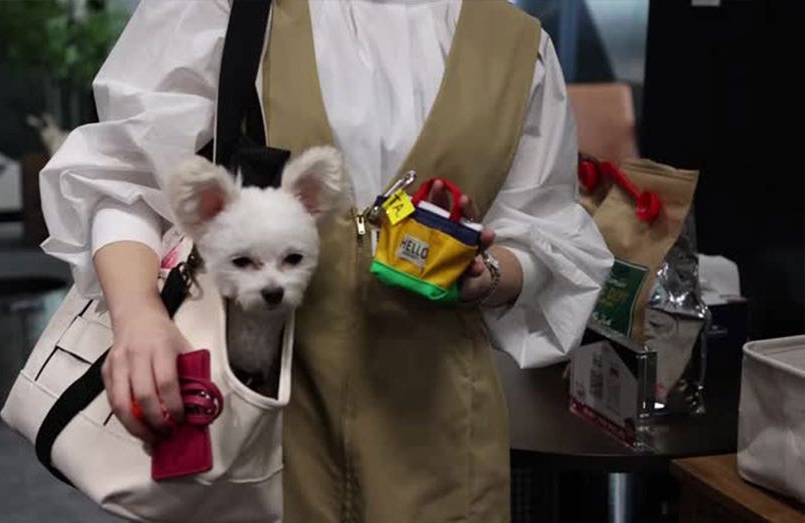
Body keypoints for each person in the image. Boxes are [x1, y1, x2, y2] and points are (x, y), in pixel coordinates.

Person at [39, 0, 613, 521]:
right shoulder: (218, 9)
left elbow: (545, 231)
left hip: (438, 427)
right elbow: (127, 175)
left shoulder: (515, 44)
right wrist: (137, 314)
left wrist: (489, 275)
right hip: (256, 414)